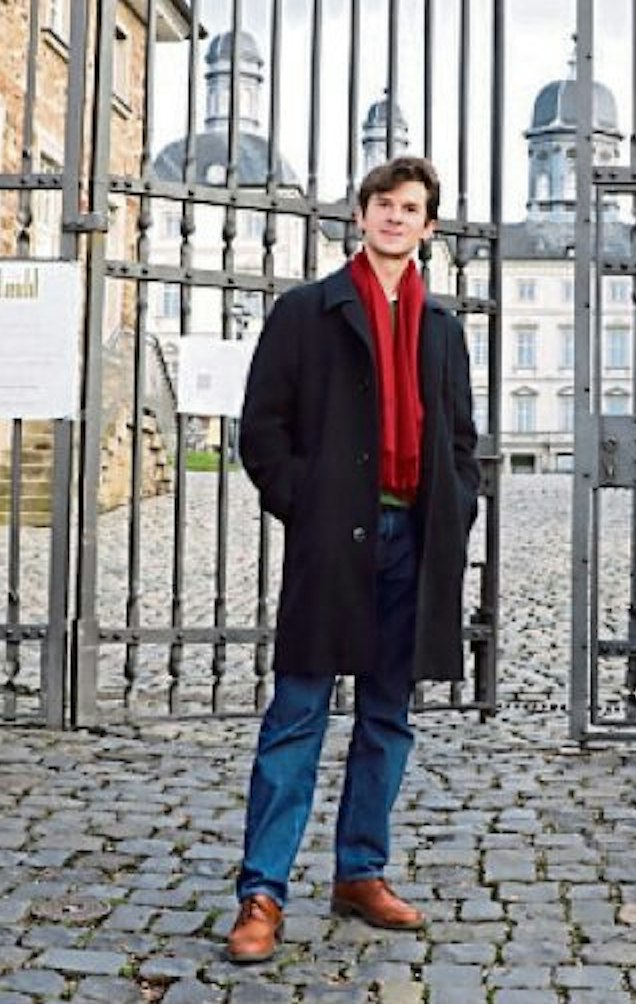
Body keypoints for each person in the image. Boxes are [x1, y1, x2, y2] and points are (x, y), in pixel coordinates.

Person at [225, 156, 480, 964]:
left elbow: (461, 441)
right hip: (333, 541)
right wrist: (311, 505)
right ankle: (262, 893)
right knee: (297, 715)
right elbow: (262, 430)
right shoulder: (308, 311)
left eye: (411, 208)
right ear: (361, 215)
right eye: (384, 204)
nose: (395, 218)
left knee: (387, 718)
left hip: (415, 542)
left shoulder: (442, 330)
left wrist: (458, 508)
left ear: (428, 227)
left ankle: (360, 872)